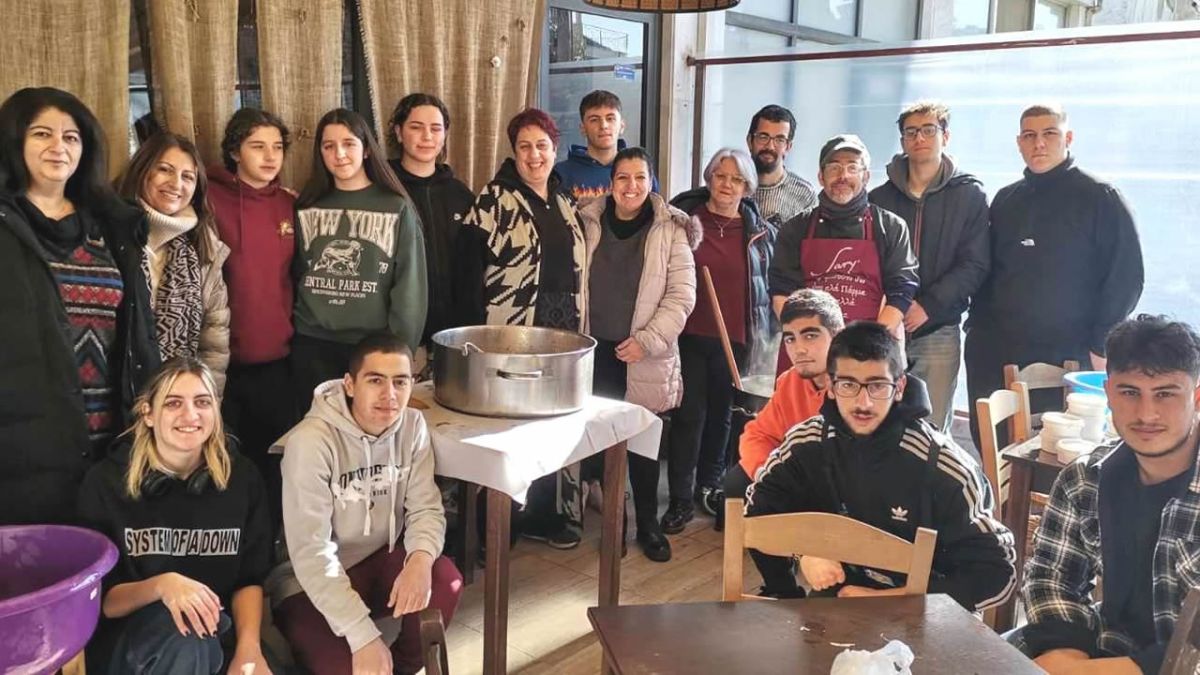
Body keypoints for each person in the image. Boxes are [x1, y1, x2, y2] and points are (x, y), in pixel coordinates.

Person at [746, 322, 1016, 608]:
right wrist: (804, 553)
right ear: (831, 387)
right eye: (848, 385)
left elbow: (997, 575)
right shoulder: (807, 443)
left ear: (899, 387)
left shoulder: (944, 466)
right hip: (841, 599)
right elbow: (757, 515)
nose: (863, 402)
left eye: (877, 386)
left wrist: (880, 600)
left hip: (928, 608)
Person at [0, 87, 158, 525]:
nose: (59, 146)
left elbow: (140, 332)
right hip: (22, 450)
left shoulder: (113, 225)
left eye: (71, 137)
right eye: (42, 134)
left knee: (108, 561)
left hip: (112, 446)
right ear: (14, 141)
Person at [1010, 315, 1200, 675]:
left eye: (1165, 394)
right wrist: (1066, 652)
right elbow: (1052, 577)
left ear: (1197, 396)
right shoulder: (1084, 480)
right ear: (1108, 392)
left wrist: (1115, 671)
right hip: (1103, 654)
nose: (1147, 414)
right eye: (1130, 392)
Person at [267, 333, 463, 675]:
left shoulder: (413, 425)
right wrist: (362, 636)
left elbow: (426, 508)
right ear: (349, 384)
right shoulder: (309, 442)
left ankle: (401, 668)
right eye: (375, 380)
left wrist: (419, 560)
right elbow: (311, 552)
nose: (390, 395)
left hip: (379, 558)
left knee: (445, 579)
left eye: (400, 382)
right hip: (308, 580)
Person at [78, 358, 274, 674]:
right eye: (173, 403)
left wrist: (249, 652)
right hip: (131, 646)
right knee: (187, 637)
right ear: (148, 413)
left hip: (214, 637)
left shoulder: (243, 478)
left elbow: (249, 580)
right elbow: (104, 602)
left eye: (202, 402)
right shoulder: (106, 483)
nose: (190, 415)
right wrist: (162, 586)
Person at [965, 103, 1143, 447]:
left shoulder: (1101, 197)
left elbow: (1126, 277)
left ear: (1068, 138)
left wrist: (1101, 343)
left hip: (1067, 350)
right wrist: (975, 329)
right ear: (1019, 142)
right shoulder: (1006, 199)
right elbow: (986, 268)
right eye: (1029, 136)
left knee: (1053, 449)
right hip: (997, 347)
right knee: (993, 444)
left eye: (1049, 133)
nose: (1039, 144)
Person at [456, 108, 590, 548]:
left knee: (552, 424)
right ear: (513, 152)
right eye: (525, 147)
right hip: (510, 330)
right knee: (508, 427)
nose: (535, 155)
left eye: (542, 146)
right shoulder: (493, 199)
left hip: (563, 325)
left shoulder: (565, 198)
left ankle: (546, 514)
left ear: (555, 148)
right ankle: (496, 523)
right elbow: (467, 273)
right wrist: (472, 337)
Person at [579, 146, 698, 562]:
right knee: (604, 443)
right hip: (595, 353)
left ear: (652, 183)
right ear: (611, 183)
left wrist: (647, 340)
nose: (631, 186)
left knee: (644, 446)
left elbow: (682, 296)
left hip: (644, 354)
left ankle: (648, 524)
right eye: (622, 178)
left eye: (640, 178)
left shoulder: (671, 229)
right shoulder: (587, 221)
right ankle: (616, 523)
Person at [665, 147, 775, 532]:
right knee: (689, 417)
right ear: (709, 179)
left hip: (738, 342)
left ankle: (709, 488)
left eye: (737, 179)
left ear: (747, 187)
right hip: (691, 336)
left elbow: (766, 290)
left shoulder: (760, 234)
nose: (727, 185)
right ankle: (679, 498)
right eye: (721, 176)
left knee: (723, 419)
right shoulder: (685, 222)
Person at [291, 108, 428, 409]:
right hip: (312, 343)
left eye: (348, 144)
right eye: (329, 146)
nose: (339, 154)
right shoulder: (306, 205)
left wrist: (399, 351)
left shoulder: (396, 207)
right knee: (317, 430)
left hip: (372, 347)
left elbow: (410, 285)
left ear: (366, 149)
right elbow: (296, 271)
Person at [869, 101, 990, 433]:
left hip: (939, 329)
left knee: (931, 429)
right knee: (879, 421)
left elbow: (975, 263)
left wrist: (928, 306)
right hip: (886, 327)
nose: (919, 138)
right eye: (911, 132)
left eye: (928, 130)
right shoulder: (879, 198)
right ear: (902, 141)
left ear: (945, 136)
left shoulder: (969, 195)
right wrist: (894, 310)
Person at [208, 107, 296, 524]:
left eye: (277, 147)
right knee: (227, 465)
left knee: (277, 464)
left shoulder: (291, 204)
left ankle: (274, 541)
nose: (270, 156)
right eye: (257, 146)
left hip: (279, 362)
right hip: (223, 364)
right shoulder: (208, 199)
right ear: (234, 151)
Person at [769, 134, 918, 344]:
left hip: (870, 346)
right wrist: (804, 339)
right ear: (821, 177)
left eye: (852, 168)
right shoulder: (795, 229)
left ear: (866, 177)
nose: (843, 176)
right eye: (834, 168)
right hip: (808, 347)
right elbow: (781, 290)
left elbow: (901, 290)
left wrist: (873, 340)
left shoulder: (891, 227)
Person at [116, 132, 231, 392]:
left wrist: (205, 401)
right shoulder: (108, 233)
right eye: (164, 170)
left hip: (178, 399)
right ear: (142, 171)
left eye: (187, 177)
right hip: (112, 395)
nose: (176, 183)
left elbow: (213, 342)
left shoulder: (203, 246)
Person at [386, 93, 475, 351]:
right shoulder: (384, 190)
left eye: (436, 128)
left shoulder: (461, 195)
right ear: (399, 132)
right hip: (396, 338)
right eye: (416, 127)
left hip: (454, 338)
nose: (427, 136)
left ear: (445, 135)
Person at [553, 89, 657, 203]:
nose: (603, 125)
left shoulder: (640, 170)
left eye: (610, 118)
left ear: (622, 126)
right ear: (583, 128)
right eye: (594, 120)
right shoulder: (562, 173)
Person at [745, 104, 817, 228]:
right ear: (749, 141)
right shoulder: (731, 186)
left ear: (788, 147)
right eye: (763, 137)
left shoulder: (805, 194)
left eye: (779, 140)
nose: (770, 146)